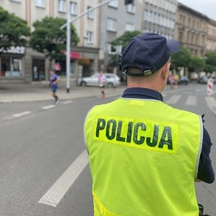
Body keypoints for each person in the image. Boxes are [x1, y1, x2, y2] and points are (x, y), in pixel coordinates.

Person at [84, 33, 214, 216]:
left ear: (125, 70)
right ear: (165, 70)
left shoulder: (94, 117)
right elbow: (205, 177)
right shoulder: (193, 128)